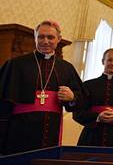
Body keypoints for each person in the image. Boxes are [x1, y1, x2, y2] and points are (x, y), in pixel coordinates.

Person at [0, 20, 86, 155]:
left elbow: (83, 98)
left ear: (59, 39)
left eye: (50, 37)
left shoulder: (66, 68)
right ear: (35, 38)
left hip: (51, 129)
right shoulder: (16, 64)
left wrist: (72, 97)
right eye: (41, 37)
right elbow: (3, 101)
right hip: (19, 129)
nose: (45, 41)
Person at [73, 48, 113, 147]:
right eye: (110, 60)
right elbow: (77, 113)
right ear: (103, 61)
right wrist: (97, 117)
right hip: (91, 135)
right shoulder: (87, 85)